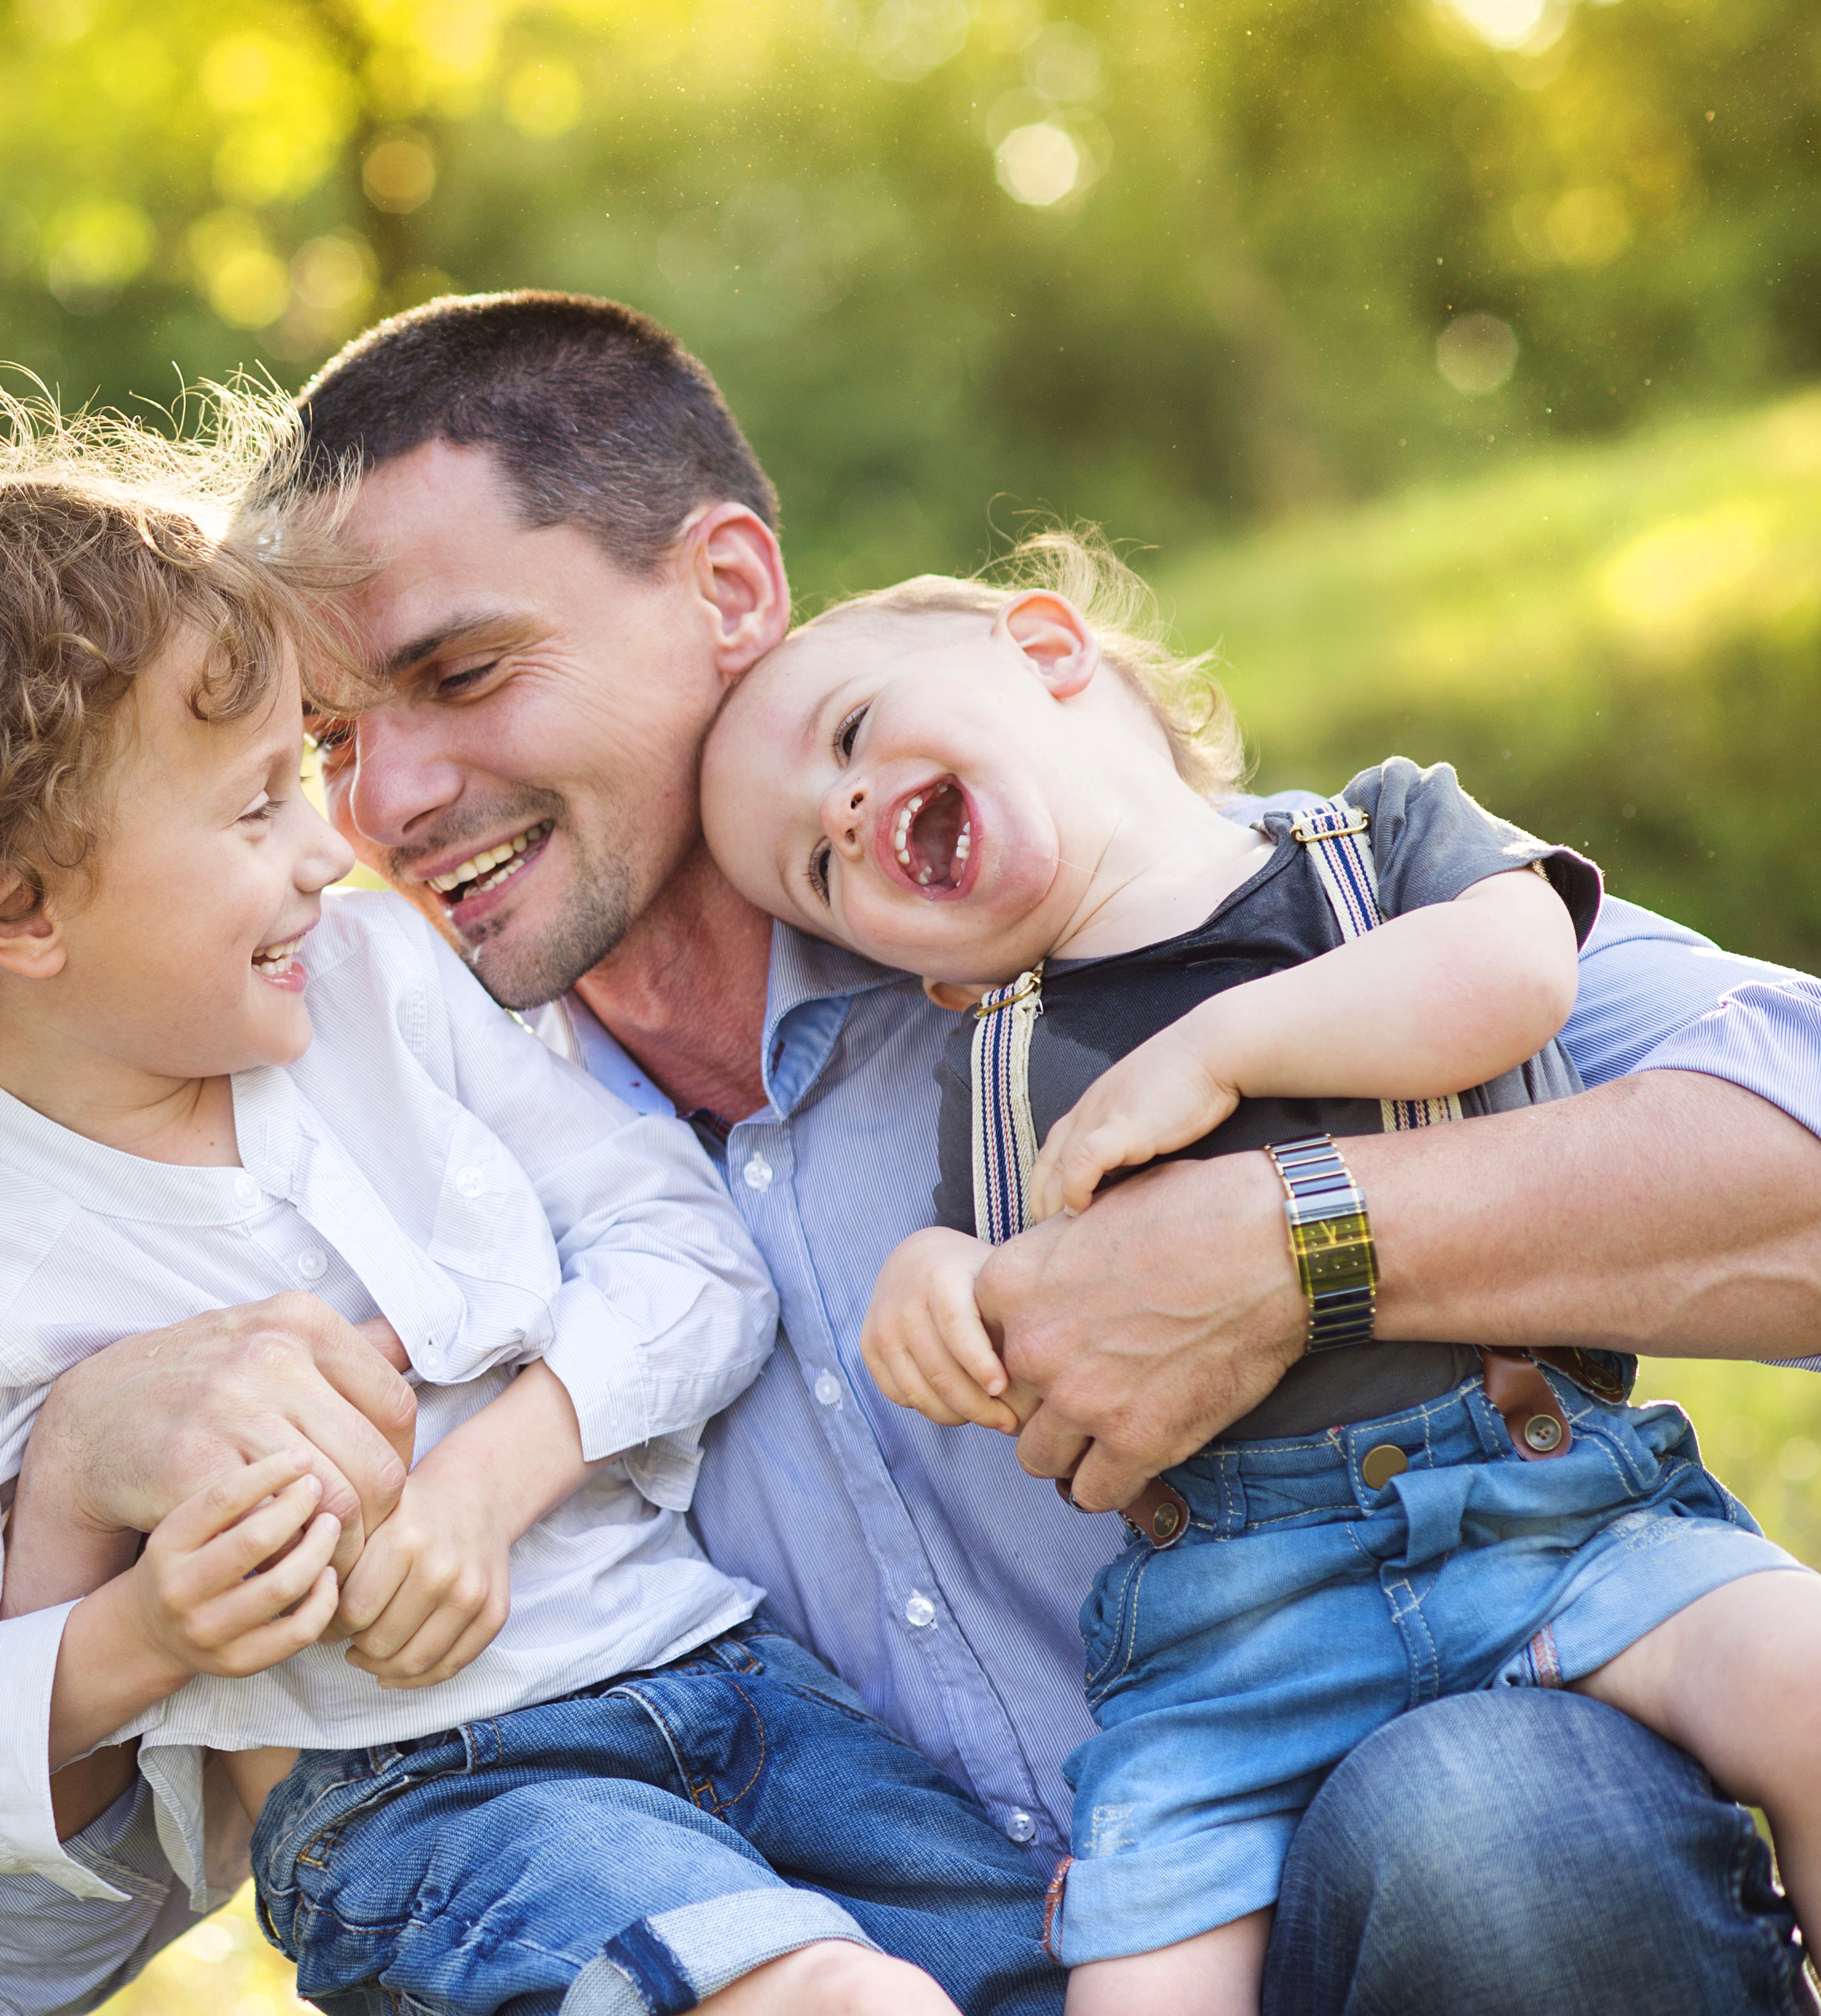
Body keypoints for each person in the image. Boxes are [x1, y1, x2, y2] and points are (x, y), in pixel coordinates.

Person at [0, 293, 1821, 2016]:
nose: (386, 801)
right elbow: (3, 1956)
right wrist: (74, 1483)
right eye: (325, 741)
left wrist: (1298, 1234)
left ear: (731, 589)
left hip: (1361, 1891)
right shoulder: (330, 1143)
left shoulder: (1179, 906)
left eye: (464, 675)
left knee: (1495, 1812)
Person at [0, 402, 1065, 2016]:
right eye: (249, 806)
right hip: (436, 1803)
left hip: (730, 1681)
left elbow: (684, 1250)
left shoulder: (382, 987)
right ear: (15, 904)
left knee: (1057, 1975)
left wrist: (493, 1478)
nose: (325, 850)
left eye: (304, 775)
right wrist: (140, 1631)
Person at [697, 543, 1821, 2012]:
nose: (844, 811)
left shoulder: (1374, 845)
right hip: (1227, 1636)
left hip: (1543, 1514)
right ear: (930, 980)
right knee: (1130, 1975)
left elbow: (1511, 981)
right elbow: (1013, 1280)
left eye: (849, 735)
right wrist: (929, 1279)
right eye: (821, 870)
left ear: (1047, 650)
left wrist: (1219, 1051)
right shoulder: (988, 1060)